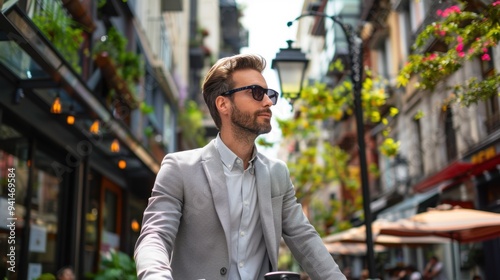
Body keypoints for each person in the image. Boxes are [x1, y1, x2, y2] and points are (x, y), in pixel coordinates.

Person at [134, 54, 346, 280]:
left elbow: (305, 240)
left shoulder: (277, 174)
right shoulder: (179, 168)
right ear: (223, 104)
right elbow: (154, 236)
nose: (268, 102)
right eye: (256, 93)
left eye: (269, 94)